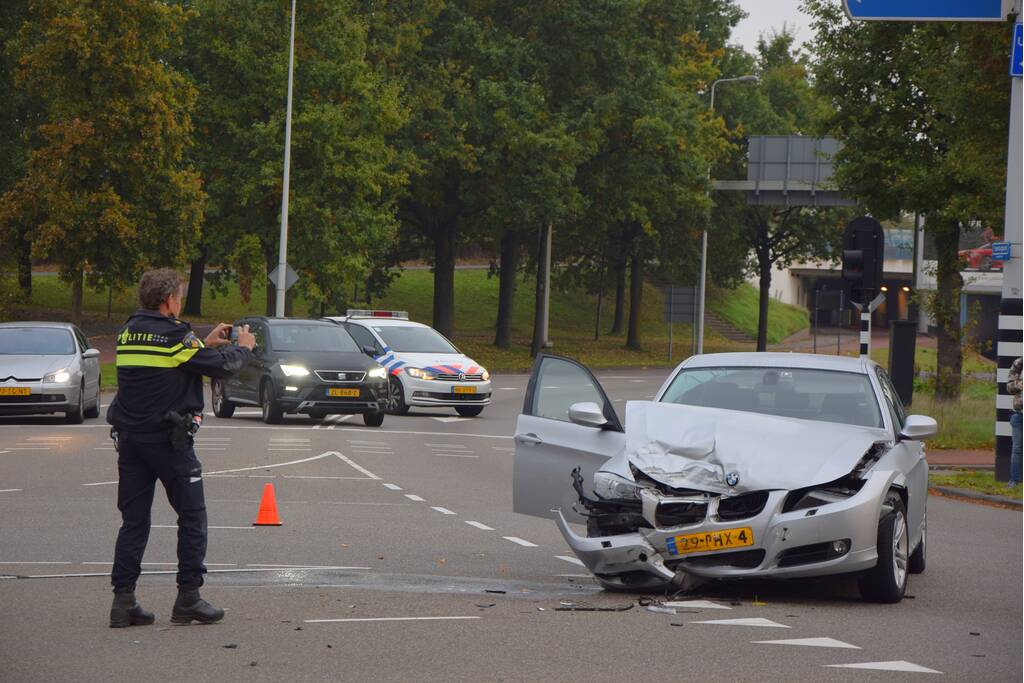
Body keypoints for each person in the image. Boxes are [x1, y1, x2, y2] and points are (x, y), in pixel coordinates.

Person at [106, 268, 255, 627]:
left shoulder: (127, 332)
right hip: (168, 441)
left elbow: (167, 360)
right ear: (170, 299)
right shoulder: (176, 336)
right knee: (192, 517)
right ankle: (188, 597)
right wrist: (243, 348)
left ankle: (123, 602)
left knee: (134, 521)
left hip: (130, 441)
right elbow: (222, 368)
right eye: (180, 296)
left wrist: (202, 341)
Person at [1008, 357, 1022, 487]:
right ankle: (1014, 480)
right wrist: (1018, 384)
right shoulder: (1019, 363)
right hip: (1020, 415)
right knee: (1017, 449)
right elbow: (1009, 387)